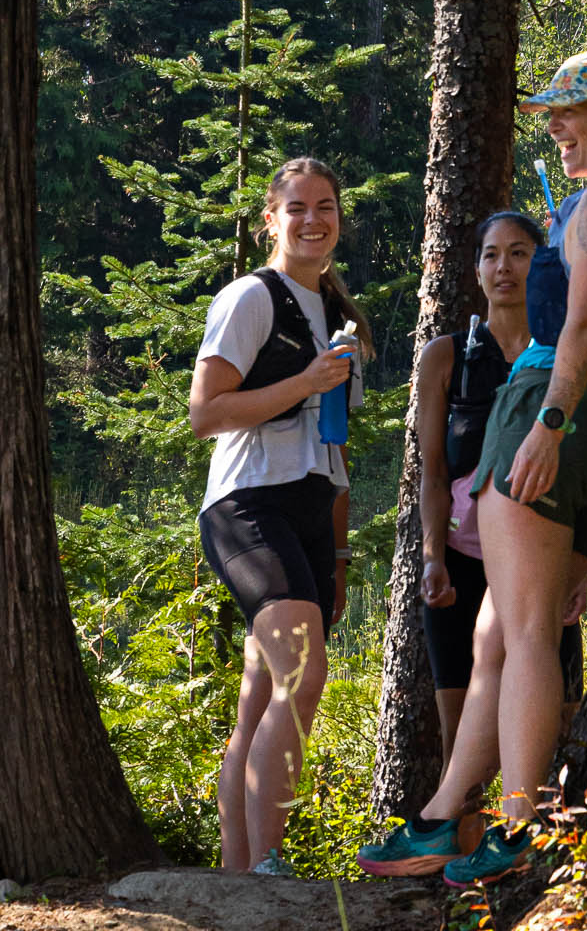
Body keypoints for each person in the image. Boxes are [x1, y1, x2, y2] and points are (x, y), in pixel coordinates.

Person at [358, 50, 587, 888]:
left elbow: (579, 327)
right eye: (550, 111)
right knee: (497, 635)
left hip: (553, 408)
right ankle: (442, 816)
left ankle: (515, 826)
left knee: (528, 633)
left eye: (571, 110)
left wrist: (545, 426)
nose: (554, 125)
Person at [189, 156, 369, 875]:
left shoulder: (340, 314)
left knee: (262, 693)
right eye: (296, 208)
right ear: (271, 219)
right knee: (303, 673)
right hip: (247, 505)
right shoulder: (251, 298)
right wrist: (304, 380)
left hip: (309, 512)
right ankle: (271, 865)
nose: (313, 220)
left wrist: (341, 554)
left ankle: (237, 878)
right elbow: (206, 414)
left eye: (325, 206)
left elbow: (335, 446)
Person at [414, 211, 583, 768]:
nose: (503, 266)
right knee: (459, 740)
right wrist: (432, 557)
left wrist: (580, 569)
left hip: (541, 566)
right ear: (477, 269)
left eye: (519, 252)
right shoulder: (448, 357)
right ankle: (452, 851)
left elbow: (585, 470)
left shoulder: (566, 359)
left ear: (542, 265)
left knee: (555, 737)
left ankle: (534, 854)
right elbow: (434, 474)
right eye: (491, 254)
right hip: (461, 572)